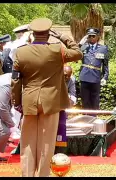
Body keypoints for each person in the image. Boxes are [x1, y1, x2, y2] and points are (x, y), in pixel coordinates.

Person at [11, 18, 83, 177]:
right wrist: (63, 37)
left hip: (29, 100)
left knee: (28, 142)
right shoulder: (57, 50)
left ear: (33, 33)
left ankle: (28, 174)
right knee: (46, 142)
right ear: (49, 33)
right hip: (51, 101)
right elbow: (78, 53)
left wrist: (17, 102)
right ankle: (43, 174)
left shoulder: (21, 52)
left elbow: (15, 80)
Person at [79, 28, 109, 112]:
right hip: (84, 77)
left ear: (97, 37)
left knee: (95, 100)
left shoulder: (103, 48)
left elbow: (106, 65)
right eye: (89, 36)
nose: (91, 38)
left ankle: (94, 119)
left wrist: (105, 77)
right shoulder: (83, 47)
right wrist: (80, 44)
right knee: (85, 101)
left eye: (93, 36)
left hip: (95, 77)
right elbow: (74, 54)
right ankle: (86, 119)